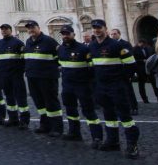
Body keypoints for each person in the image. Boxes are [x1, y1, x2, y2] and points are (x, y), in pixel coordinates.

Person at [89, 19, 139, 159]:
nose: (96, 30)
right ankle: (113, 141)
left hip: (116, 86)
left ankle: (132, 145)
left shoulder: (117, 45)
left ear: (105, 28)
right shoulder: (92, 46)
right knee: (108, 115)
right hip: (101, 86)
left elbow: (131, 66)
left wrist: (120, 79)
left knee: (125, 116)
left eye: (99, 27)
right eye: (94, 28)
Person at [57, 25, 102, 142]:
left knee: (88, 111)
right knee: (70, 110)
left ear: (73, 34)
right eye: (63, 34)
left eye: (67, 34)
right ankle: (74, 132)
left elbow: (92, 69)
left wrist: (89, 83)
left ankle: (96, 136)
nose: (65, 36)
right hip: (67, 85)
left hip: (82, 85)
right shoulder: (60, 49)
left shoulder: (83, 49)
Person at [23, 20, 62, 137]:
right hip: (32, 77)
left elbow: (59, 57)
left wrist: (50, 70)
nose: (31, 30)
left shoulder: (49, 41)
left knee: (51, 102)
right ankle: (45, 124)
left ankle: (57, 127)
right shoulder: (28, 41)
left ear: (38, 28)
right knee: (39, 102)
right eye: (29, 28)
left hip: (47, 77)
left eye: (33, 28)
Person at [0, 24, 30, 129]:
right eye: (2, 30)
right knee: (9, 98)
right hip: (4, 75)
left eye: (6, 29)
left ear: (11, 30)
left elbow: (25, 59)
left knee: (21, 98)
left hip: (16, 75)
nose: (4, 31)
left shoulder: (18, 43)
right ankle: (13, 118)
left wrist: (21, 71)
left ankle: (24, 120)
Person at [110, 28, 139, 115]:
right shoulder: (111, 44)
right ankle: (120, 108)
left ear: (119, 34)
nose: (113, 35)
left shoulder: (125, 44)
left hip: (125, 71)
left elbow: (130, 59)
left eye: (115, 34)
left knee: (128, 90)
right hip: (115, 72)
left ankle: (134, 107)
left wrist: (130, 74)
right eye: (111, 34)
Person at [132, 39, 158, 104]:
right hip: (140, 70)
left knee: (154, 83)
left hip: (149, 69)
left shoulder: (147, 48)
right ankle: (145, 99)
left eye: (144, 45)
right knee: (141, 85)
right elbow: (133, 60)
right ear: (139, 43)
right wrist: (142, 61)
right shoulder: (134, 49)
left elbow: (151, 56)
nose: (144, 46)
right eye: (142, 44)